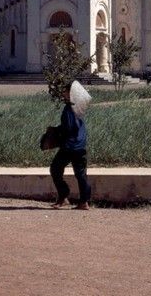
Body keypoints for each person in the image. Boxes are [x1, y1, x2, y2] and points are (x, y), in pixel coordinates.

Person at [50, 80, 92, 210]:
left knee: (55, 169)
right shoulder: (78, 107)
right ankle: (84, 201)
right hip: (80, 145)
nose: (63, 93)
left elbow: (68, 128)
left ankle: (63, 196)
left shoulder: (69, 108)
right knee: (80, 174)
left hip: (70, 146)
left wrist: (55, 132)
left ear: (71, 93)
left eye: (66, 91)